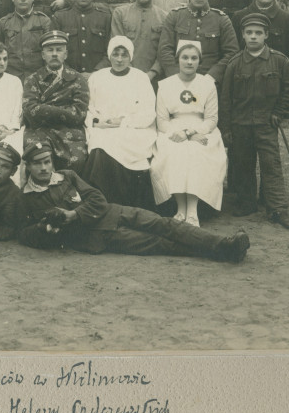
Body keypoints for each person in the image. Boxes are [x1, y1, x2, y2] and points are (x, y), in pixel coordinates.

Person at [17, 141, 250, 263]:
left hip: (115, 213)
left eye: (47, 161)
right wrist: (45, 229)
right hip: (99, 237)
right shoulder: (27, 197)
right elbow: (25, 234)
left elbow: (97, 198)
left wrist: (73, 215)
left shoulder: (67, 175)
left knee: (167, 224)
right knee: (160, 244)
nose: (44, 168)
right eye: (38, 164)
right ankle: (223, 253)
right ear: (28, 167)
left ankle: (225, 243)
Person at [220, 13, 289, 228]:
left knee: (271, 165)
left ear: (266, 35)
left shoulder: (280, 61)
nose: (253, 37)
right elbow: (226, 99)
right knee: (242, 165)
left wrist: (279, 113)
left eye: (258, 33)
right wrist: (226, 128)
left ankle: (277, 209)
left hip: (267, 125)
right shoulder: (235, 63)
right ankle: (246, 204)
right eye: (249, 33)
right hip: (240, 125)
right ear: (243, 35)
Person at [151, 41, 228, 226]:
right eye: (185, 57)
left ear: (199, 61)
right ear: (178, 60)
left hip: (201, 128)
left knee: (196, 152)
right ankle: (180, 208)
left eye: (194, 58)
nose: (189, 62)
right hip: (172, 129)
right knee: (174, 152)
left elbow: (211, 119)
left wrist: (192, 132)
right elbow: (161, 120)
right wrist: (180, 133)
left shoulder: (207, 85)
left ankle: (192, 211)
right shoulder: (165, 85)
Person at [81, 36, 158, 208]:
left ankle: (127, 203)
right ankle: (102, 202)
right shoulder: (97, 77)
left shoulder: (140, 78)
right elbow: (88, 108)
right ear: (109, 55)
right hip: (103, 127)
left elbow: (148, 113)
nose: (119, 59)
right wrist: (96, 122)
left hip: (134, 128)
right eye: (116, 54)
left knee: (125, 143)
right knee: (100, 144)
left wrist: (122, 121)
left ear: (131, 56)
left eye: (124, 55)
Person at [22, 29, 90, 173]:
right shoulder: (33, 79)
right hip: (38, 131)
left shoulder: (77, 79)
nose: (54, 54)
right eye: (49, 50)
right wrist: (64, 111)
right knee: (37, 158)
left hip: (69, 132)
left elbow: (79, 114)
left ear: (65, 55)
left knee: (77, 160)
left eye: (59, 50)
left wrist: (43, 108)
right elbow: (29, 112)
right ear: (43, 55)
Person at [157, 0, 239, 85]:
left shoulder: (221, 19)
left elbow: (232, 52)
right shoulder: (175, 16)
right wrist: (176, 77)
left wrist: (212, 76)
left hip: (211, 82)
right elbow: (165, 50)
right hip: (178, 81)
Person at [108, 0, 167, 82]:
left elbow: (164, 51)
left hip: (153, 78)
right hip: (124, 75)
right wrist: (129, 72)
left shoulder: (165, 17)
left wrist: (152, 73)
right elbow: (117, 45)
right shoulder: (120, 13)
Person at [50, 0, 111, 74]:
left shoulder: (105, 17)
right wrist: (71, 74)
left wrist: (96, 72)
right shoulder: (60, 17)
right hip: (66, 77)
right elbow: (54, 51)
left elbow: (110, 51)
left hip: (97, 75)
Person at [0, 0, 51, 80]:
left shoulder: (43, 21)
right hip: (11, 76)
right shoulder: (4, 22)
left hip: (38, 76)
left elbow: (48, 50)